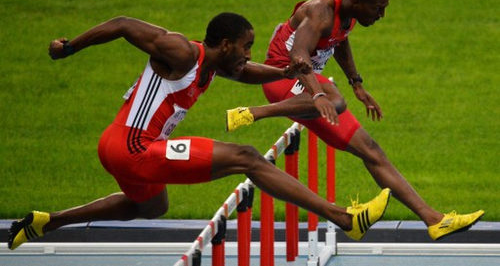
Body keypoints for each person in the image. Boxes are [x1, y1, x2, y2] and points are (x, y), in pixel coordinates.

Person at [8, 13, 391, 250]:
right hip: (132, 148)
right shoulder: (180, 52)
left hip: (121, 147)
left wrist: (283, 72)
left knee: (153, 207)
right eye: (245, 47)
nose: (248, 54)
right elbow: (123, 25)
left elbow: (246, 71)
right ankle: (342, 217)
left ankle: (48, 221)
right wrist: (70, 47)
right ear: (225, 44)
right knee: (247, 158)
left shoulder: (213, 65)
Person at [225, 0, 484, 240]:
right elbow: (298, 55)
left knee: (371, 149)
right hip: (284, 76)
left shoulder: (347, 12)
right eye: (378, 8)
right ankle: (253, 113)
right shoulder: (320, 12)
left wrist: (356, 83)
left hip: (307, 80)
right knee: (336, 102)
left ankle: (434, 220)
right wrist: (317, 95)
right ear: (357, 1)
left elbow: (339, 39)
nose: (381, 15)